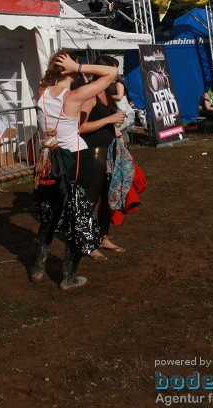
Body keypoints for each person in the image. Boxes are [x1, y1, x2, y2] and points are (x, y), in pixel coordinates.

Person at [29, 51, 118, 291]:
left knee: (51, 214)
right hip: (76, 158)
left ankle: (38, 268)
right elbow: (112, 73)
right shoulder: (75, 96)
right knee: (79, 215)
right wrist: (78, 67)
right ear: (67, 68)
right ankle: (68, 276)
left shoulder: (41, 93)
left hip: (50, 158)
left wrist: (66, 68)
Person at [79, 56, 128, 260]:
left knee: (109, 196)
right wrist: (109, 120)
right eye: (112, 71)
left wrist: (115, 132)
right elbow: (80, 127)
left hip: (109, 149)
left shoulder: (107, 92)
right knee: (91, 199)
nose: (115, 76)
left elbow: (104, 121)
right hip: (92, 151)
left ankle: (103, 236)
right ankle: (88, 242)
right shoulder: (89, 94)